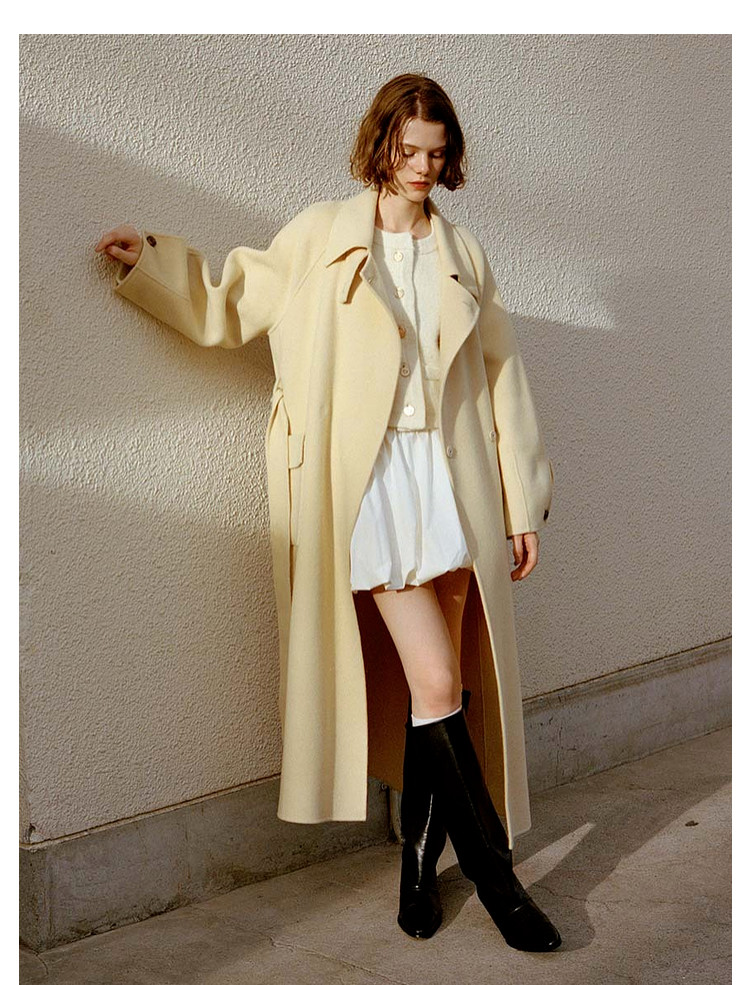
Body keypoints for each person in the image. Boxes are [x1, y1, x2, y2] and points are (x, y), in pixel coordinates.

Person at [95, 73, 560, 952]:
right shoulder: (321, 235)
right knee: (435, 680)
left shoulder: (463, 253)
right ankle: (500, 883)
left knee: (443, 687)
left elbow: (502, 377)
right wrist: (151, 264)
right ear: (381, 143)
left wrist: (519, 498)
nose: (421, 167)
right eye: (408, 149)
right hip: (367, 483)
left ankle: (417, 867)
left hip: (450, 479)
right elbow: (233, 300)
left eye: (436, 153)